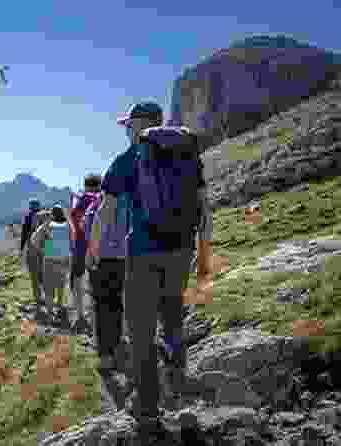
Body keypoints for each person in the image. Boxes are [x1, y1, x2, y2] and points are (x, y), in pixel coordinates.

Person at [96, 101, 212, 438]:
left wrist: (95, 250)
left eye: (128, 125)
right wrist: (203, 251)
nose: (127, 131)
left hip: (144, 252)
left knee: (141, 329)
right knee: (173, 307)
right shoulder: (187, 153)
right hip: (181, 250)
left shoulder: (129, 158)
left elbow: (107, 209)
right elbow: (204, 206)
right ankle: (178, 381)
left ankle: (147, 408)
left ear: (139, 125)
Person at [85, 190, 131, 369]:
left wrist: (91, 254)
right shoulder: (129, 201)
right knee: (118, 302)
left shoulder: (97, 204)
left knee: (102, 306)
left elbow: (88, 226)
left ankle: (106, 356)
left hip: (101, 260)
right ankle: (117, 345)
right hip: (125, 259)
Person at [68, 174, 103, 334]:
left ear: (86, 185)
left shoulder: (82, 201)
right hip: (102, 249)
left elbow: (74, 223)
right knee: (99, 285)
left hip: (81, 248)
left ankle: (80, 316)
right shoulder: (103, 199)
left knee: (76, 281)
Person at [30, 204, 72, 317]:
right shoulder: (68, 226)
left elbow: (33, 240)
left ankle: (50, 311)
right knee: (61, 284)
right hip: (64, 259)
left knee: (49, 286)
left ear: (52, 215)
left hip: (49, 259)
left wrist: (42, 249)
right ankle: (59, 305)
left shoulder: (47, 226)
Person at [20, 199, 45, 303]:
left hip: (32, 247)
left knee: (34, 273)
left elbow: (25, 233)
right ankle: (49, 295)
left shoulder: (28, 216)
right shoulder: (45, 216)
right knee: (43, 273)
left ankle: (37, 297)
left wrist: (22, 247)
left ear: (30, 207)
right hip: (44, 248)